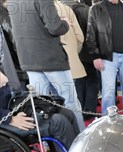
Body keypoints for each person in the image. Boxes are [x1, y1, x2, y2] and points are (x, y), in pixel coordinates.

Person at [8, 0, 86, 131]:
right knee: (70, 101)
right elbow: (55, 28)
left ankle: (47, 143)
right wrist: (65, 23)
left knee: (42, 105)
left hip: (28, 59)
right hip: (51, 59)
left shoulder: (12, 2)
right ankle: (80, 141)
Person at [87, 0, 123, 117]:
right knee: (108, 94)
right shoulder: (96, 10)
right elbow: (90, 34)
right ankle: (108, 125)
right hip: (107, 58)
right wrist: (95, 56)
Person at [0, 71, 80, 150]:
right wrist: (11, 119)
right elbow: (5, 81)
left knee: (66, 113)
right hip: (5, 122)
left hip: (13, 108)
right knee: (58, 121)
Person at [61, 0, 98, 120]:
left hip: (69, 53)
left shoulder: (58, 8)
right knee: (92, 81)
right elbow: (92, 30)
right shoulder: (85, 9)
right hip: (87, 51)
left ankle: (80, 108)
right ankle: (90, 109)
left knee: (78, 83)